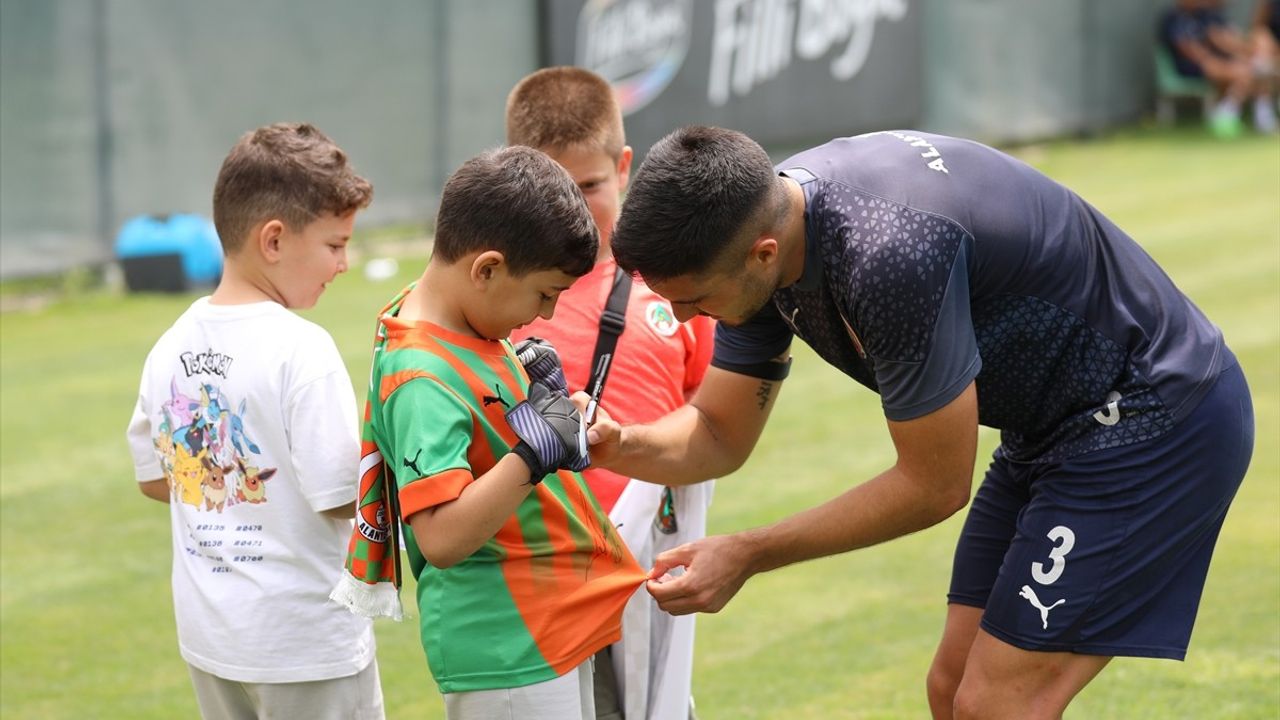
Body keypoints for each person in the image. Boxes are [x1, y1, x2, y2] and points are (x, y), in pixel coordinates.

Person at [584, 126, 1254, 720]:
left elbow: (934, 486)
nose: (692, 319)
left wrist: (750, 553)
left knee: (999, 704)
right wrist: (620, 443)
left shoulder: (886, 255)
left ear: (762, 254)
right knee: (954, 687)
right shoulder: (759, 226)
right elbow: (721, 433)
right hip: (1057, 426)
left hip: (1155, 419)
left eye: (695, 300)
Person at [329, 145, 646, 720]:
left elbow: (478, 434)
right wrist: (532, 454)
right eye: (545, 294)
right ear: (488, 269)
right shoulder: (421, 376)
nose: (548, 314)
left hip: (545, 628)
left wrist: (543, 406)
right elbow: (441, 538)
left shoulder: (462, 323)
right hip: (506, 647)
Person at [124, 122, 384, 719]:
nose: (344, 263)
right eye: (335, 244)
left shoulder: (168, 347)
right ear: (273, 241)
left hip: (212, 641)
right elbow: (344, 494)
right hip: (304, 645)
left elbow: (152, 477)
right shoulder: (302, 348)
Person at [505, 66, 716, 720]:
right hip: (540, 575)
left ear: (624, 167)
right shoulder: (498, 296)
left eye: (590, 185)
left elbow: (708, 419)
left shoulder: (677, 284)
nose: (572, 206)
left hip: (647, 572)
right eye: (552, 188)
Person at [1160, 0, 1278, 135]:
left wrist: (1244, 54)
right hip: (1191, 66)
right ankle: (1231, 114)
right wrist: (1225, 62)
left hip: (1213, 61)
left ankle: (1234, 112)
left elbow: (1222, 40)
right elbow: (1189, 50)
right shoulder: (1173, 18)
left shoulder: (1204, 16)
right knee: (1248, 72)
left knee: (1254, 70)